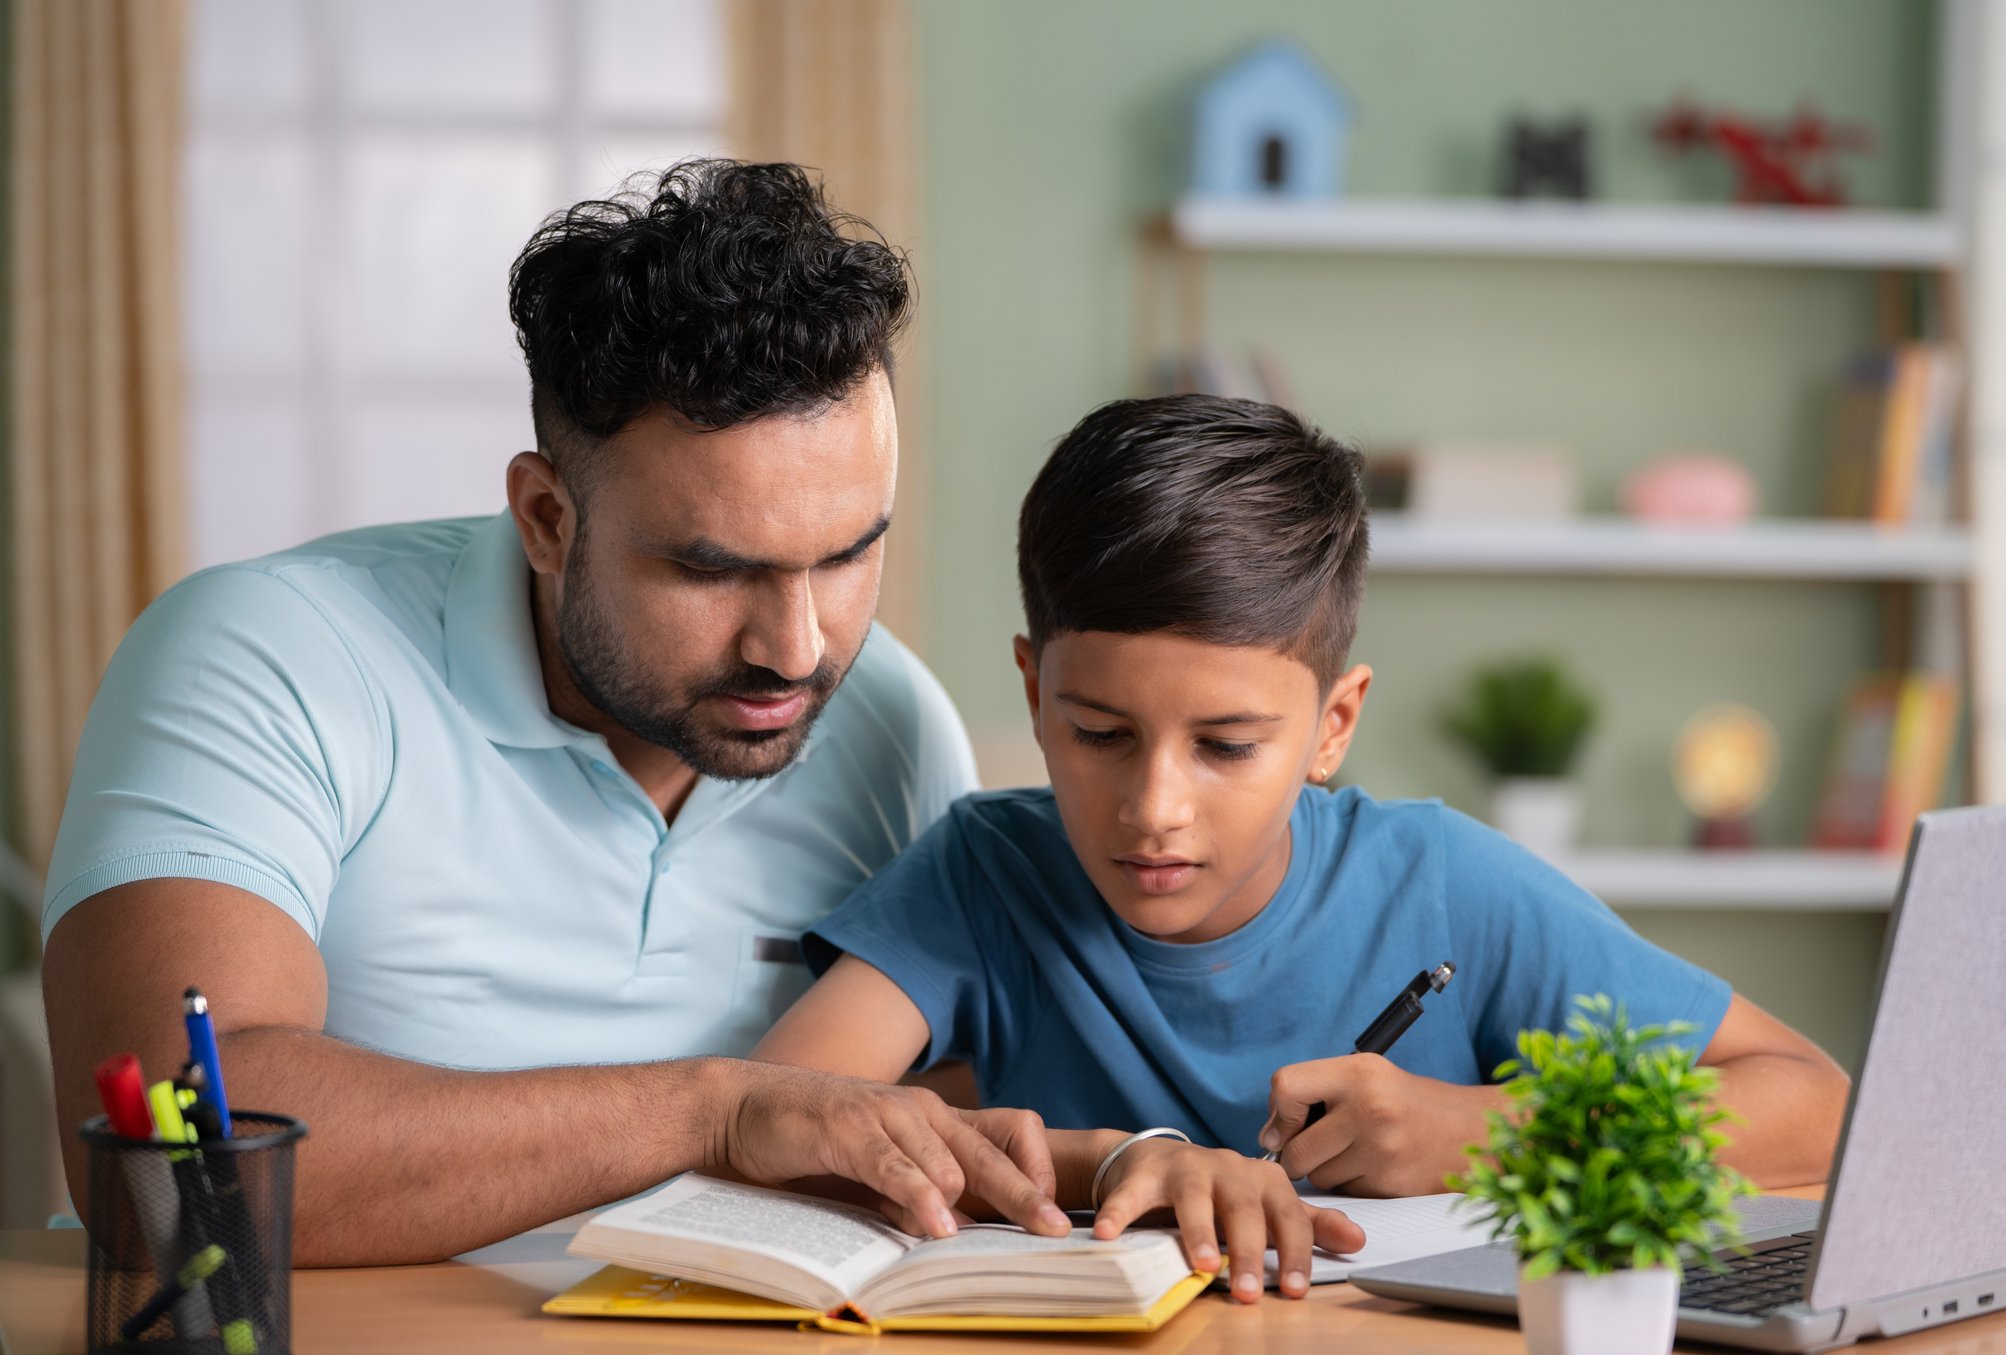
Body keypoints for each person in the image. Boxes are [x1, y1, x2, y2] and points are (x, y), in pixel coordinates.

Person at [40, 161, 1070, 1266]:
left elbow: (929, 1122)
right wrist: (711, 1113)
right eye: (709, 569)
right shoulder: (262, 652)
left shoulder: (889, 721)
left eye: (848, 553)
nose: (796, 647)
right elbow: (165, 1162)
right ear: (544, 517)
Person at [755, 394, 1854, 1303]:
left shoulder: (1444, 883)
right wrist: (1115, 1154)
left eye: (1225, 745)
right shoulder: (982, 872)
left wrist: (1481, 1132)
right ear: (1034, 690)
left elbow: (1813, 1104)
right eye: (1099, 734)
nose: (1154, 806)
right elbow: (766, 1115)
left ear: (1333, 724)